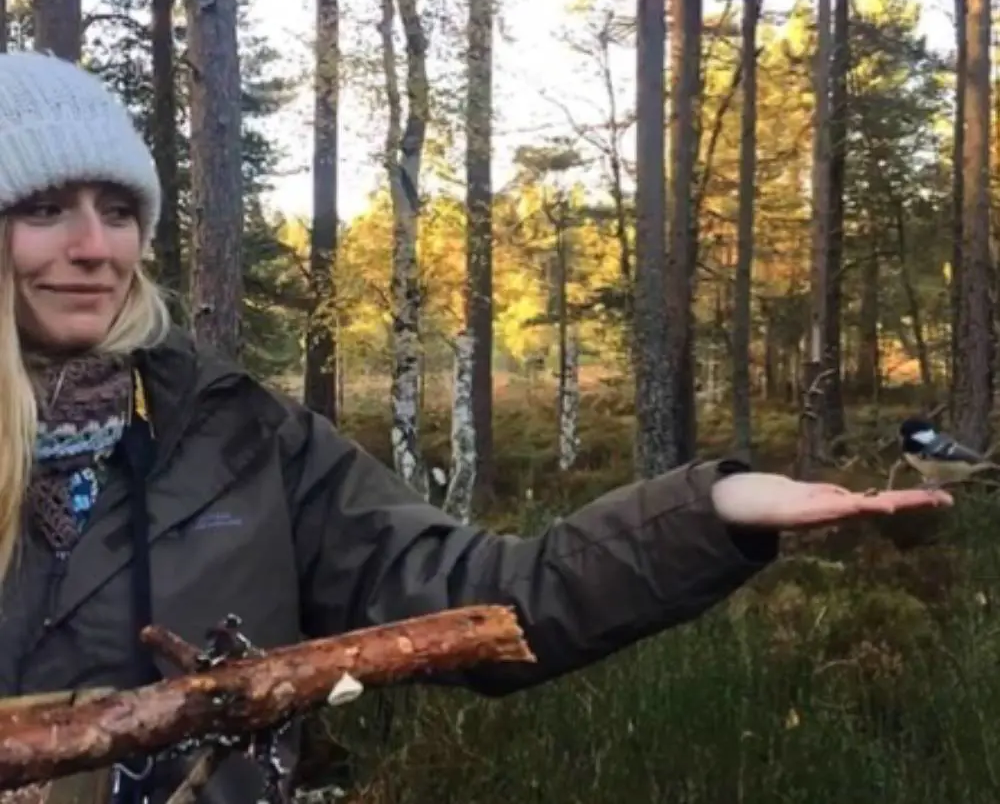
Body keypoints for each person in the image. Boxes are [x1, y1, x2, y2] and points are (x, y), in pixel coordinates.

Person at [0, 51, 951, 804]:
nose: (94, 246)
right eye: (45, 208)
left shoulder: (240, 439)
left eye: (119, 210)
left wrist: (711, 510)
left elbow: (477, 596)